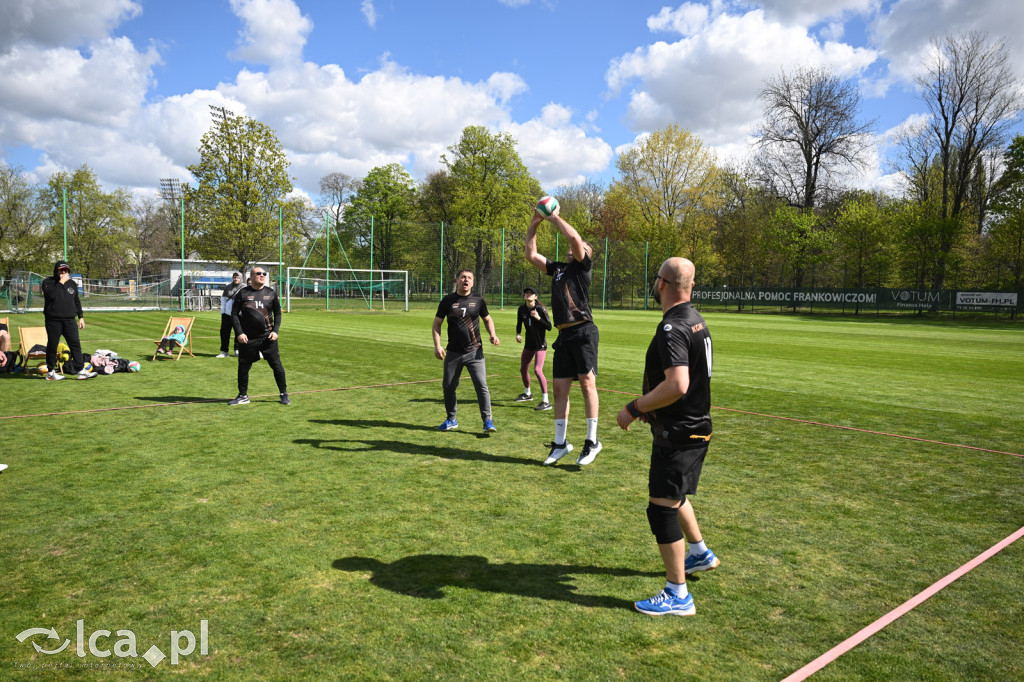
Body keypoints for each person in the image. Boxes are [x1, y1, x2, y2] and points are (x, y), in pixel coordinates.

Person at [616, 257, 719, 617]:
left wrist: (635, 407)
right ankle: (700, 553)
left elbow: (677, 384)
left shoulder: (673, 327)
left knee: (660, 508)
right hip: (695, 427)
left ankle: (678, 594)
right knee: (675, 497)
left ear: (661, 283)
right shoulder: (695, 319)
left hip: (679, 433)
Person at [524, 205, 601, 465]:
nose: (572, 248)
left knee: (587, 383)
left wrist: (554, 217)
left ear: (586, 254)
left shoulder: (582, 266)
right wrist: (534, 224)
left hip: (583, 330)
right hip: (563, 335)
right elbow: (531, 254)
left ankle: (592, 441)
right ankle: (560, 444)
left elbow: (575, 239)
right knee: (559, 389)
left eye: (581, 248)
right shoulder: (558, 269)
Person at [432, 269, 499, 434]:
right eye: (463, 277)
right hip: (453, 353)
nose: (466, 280)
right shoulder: (448, 300)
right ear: (457, 280)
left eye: (469, 278)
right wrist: (437, 345)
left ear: (473, 282)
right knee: (448, 386)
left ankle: (487, 421)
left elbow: (487, 319)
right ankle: (451, 419)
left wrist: (492, 334)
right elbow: (437, 324)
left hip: (475, 352)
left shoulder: (478, 300)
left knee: (481, 386)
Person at [229, 267, 288, 405]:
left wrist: (275, 331)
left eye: (264, 274)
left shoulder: (270, 293)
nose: (262, 275)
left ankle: (283, 393)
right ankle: (243, 396)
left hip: (267, 337)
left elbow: (278, 313)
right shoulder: (243, 293)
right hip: (248, 338)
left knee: (277, 366)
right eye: (259, 273)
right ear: (251, 276)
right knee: (243, 367)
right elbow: (234, 314)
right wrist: (239, 333)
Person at [40, 260, 96, 381]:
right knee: (53, 345)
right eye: (61, 270)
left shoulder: (72, 284)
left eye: (66, 270)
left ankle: (81, 371)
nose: (64, 272)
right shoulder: (48, 282)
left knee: (75, 345)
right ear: (56, 271)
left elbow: (76, 301)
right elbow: (51, 295)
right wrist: (61, 282)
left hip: (70, 320)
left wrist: (81, 317)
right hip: (53, 321)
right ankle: (51, 372)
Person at [514, 286, 552, 410]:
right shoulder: (521, 309)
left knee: (537, 370)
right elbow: (519, 323)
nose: (528, 294)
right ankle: (527, 394)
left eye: (531, 293)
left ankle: (546, 401)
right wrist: (518, 334)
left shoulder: (540, 309)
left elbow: (549, 327)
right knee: (523, 369)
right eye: (526, 293)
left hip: (540, 344)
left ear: (535, 297)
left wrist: (538, 318)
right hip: (529, 344)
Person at [216, 272, 244, 358]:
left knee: (238, 332)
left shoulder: (245, 288)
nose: (236, 279)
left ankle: (237, 350)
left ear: (241, 278)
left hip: (239, 315)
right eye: (234, 277)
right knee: (224, 333)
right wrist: (223, 311)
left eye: (238, 277)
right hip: (227, 314)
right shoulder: (228, 287)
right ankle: (224, 351)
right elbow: (223, 300)